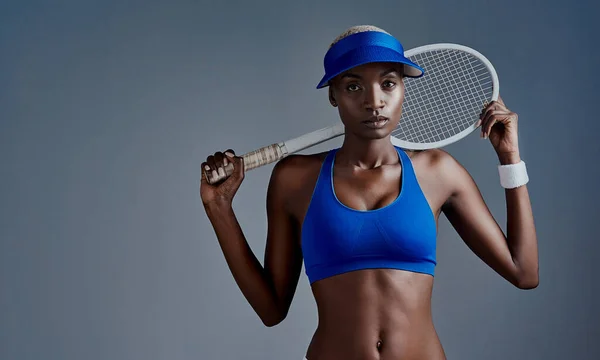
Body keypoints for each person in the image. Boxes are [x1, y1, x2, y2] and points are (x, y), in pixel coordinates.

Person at [200, 25, 539, 360]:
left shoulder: (437, 172)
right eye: (353, 86)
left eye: (388, 83)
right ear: (333, 95)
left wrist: (510, 158)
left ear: (403, 89)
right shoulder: (294, 179)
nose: (373, 101)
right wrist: (219, 209)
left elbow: (524, 272)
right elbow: (271, 309)